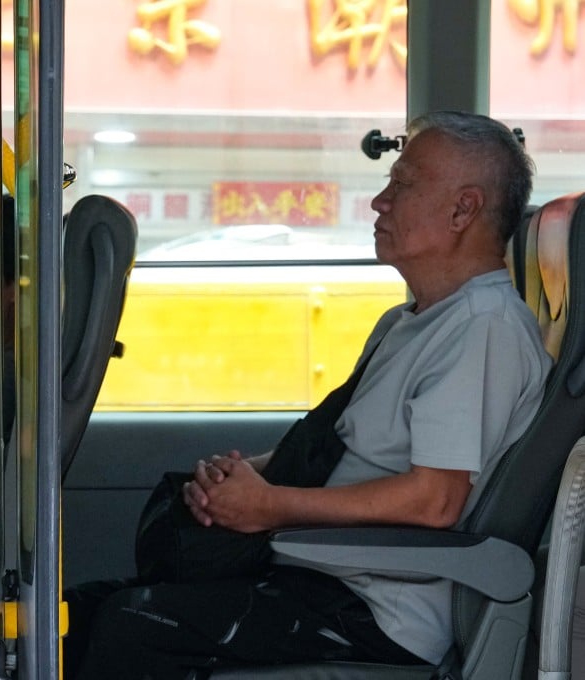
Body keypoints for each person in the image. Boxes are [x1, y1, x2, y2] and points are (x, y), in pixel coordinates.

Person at [65, 111, 554, 679]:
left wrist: (270, 508)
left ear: (463, 209)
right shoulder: (410, 320)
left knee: (132, 627)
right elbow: (346, 449)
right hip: (320, 574)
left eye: (403, 184)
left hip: (374, 612)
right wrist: (246, 478)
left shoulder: (482, 329)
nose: (379, 201)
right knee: (77, 613)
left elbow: (434, 501)